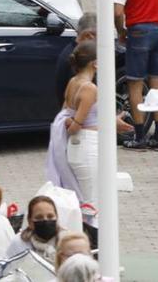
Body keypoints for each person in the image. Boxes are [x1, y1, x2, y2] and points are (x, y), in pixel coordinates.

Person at [115, 0, 158, 149]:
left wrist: (121, 30)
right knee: (157, 85)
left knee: (134, 84)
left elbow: (117, 11)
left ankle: (140, 136)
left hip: (138, 30)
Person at [58, 41, 98, 214]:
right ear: (94, 63)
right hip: (88, 146)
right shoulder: (89, 88)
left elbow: (64, 113)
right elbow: (74, 125)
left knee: (84, 198)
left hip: (75, 148)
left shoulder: (73, 82)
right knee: (91, 202)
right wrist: (72, 122)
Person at [6, 196, 63, 264]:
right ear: (30, 222)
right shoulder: (19, 243)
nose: (45, 220)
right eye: (39, 217)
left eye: (50, 216)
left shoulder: (67, 242)